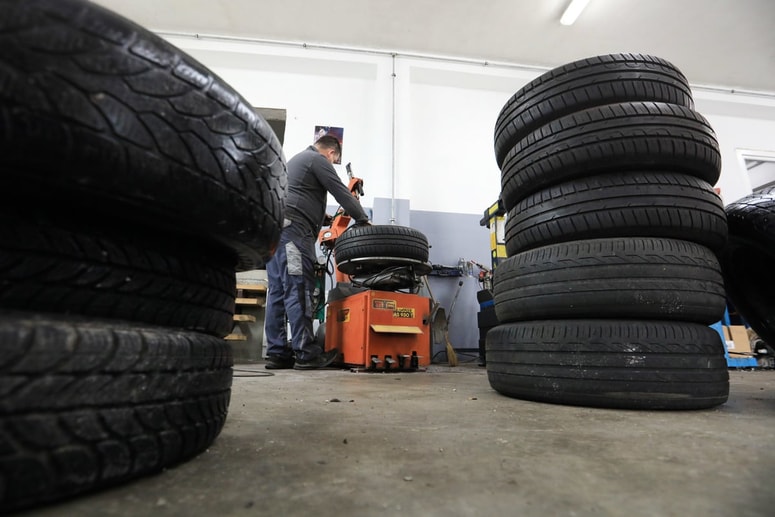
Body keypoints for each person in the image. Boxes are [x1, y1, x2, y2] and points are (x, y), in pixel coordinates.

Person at [264, 135, 370, 369]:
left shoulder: (297, 161)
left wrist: (325, 219)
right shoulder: (317, 159)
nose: (332, 164)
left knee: (278, 292)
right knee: (298, 288)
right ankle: (306, 354)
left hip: (275, 233)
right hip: (293, 235)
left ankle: (278, 353)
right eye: (335, 160)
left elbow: (298, 197)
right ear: (332, 153)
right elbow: (341, 191)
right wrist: (363, 218)